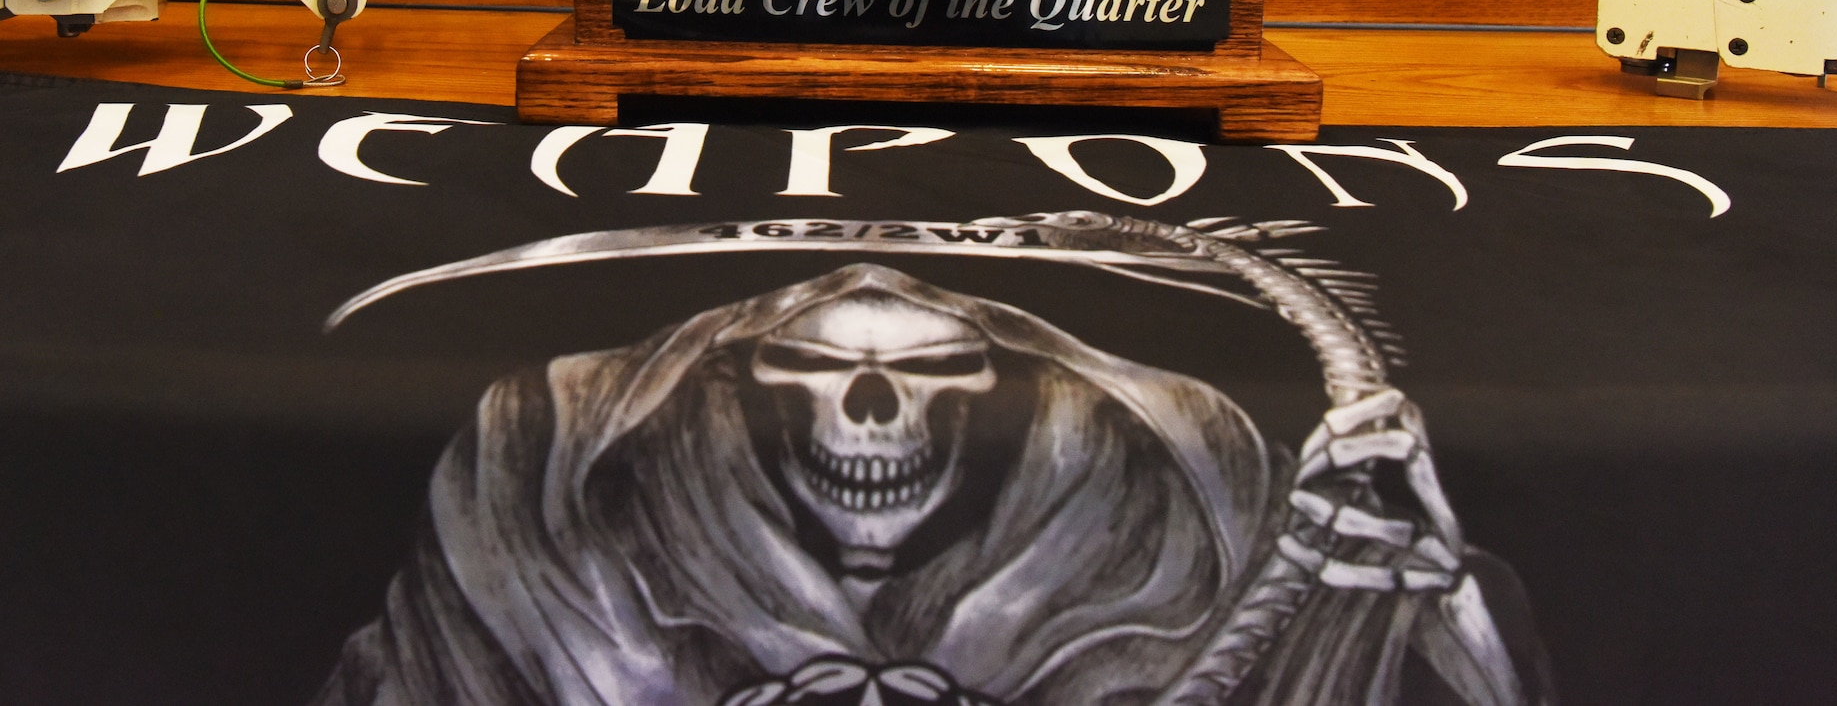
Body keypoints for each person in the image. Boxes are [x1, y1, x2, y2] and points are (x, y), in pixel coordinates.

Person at [314, 264, 1550, 706]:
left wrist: (1409, 599)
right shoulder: (538, 522)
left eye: (937, 372)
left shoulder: (1180, 527)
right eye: (803, 370)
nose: (868, 410)